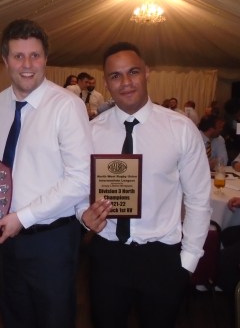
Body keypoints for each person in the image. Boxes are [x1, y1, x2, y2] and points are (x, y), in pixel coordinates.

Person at [77, 42, 211, 328]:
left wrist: (188, 261)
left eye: (133, 72)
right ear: (106, 83)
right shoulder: (91, 132)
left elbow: (199, 198)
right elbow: (77, 188)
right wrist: (83, 215)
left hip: (161, 257)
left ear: (147, 72)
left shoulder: (180, 129)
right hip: (108, 254)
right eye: (115, 76)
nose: (125, 82)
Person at [0, 19, 92, 328]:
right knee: (13, 316)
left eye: (35, 55)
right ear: (5, 60)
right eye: (18, 56)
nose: (27, 64)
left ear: (46, 58)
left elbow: (81, 179)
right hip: (4, 238)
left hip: (51, 241)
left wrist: (22, 217)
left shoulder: (66, 106)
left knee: (54, 319)